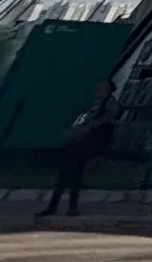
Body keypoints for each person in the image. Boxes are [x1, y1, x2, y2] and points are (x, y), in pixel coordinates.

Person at [42, 81, 116, 217]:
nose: (97, 90)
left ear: (108, 90)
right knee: (64, 175)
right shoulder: (93, 105)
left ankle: (69, 207)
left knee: (73, 174)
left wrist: (91, 126)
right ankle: (56, 207)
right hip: (74, 141)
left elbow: (105, 119)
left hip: (83, 143)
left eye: (101, 88)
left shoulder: (106, 105)